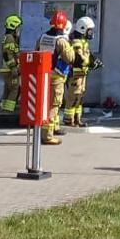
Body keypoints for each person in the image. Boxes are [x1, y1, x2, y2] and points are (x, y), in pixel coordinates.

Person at [36, 12, 73, 145]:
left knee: (46, 103)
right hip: (57, 76)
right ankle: (47, 135)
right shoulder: (61, 41)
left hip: (43, 74)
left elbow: (37, 52)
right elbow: (70, 58)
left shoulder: (42, 37)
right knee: (54, 104)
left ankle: (55, 127)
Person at [64, 16, 98, 126]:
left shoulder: (83, 41)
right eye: (89, 30)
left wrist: (93, 61)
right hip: (75, 74)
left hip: (82, 74)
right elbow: (79, 58)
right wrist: (89, 63)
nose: (91, 33)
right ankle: (68, 119)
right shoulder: (76, 42)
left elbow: (87, 54)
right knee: (73, 96)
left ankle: (77, 118)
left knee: (80, 97)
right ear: (83, 29)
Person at [0, 14, 23, 113]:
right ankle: (8, 111)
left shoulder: (8, 37)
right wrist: (14, 68)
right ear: (13, 26)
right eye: (18, 27)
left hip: (6, 69)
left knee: (8, 90)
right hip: (10, 70)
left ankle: (3, 110)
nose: (18, 30)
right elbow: (7, 54)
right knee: (15, 89)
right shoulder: (10, 38)